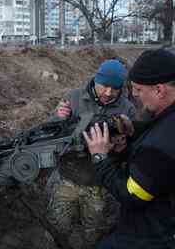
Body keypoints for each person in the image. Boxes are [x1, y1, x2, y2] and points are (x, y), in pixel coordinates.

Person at [83, 48, 175, 249]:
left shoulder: (163, 143)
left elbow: (131, 195)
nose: (134, 95)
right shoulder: (166, 120)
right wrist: (133, 135)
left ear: (159, 90)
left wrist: (100, 158)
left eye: (138, 90)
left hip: (153, 234)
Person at [46, 59, 136, 248]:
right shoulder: (74, 98)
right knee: (58, 226)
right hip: (67, 179)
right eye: (104, 86)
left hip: (100, 186)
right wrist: (57, 117)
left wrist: (122, 147)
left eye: (115, 88)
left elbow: (133, 149)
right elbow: (50, 134)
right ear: (96, 79)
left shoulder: (127, 109)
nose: (108, 93)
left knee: (95, 232)